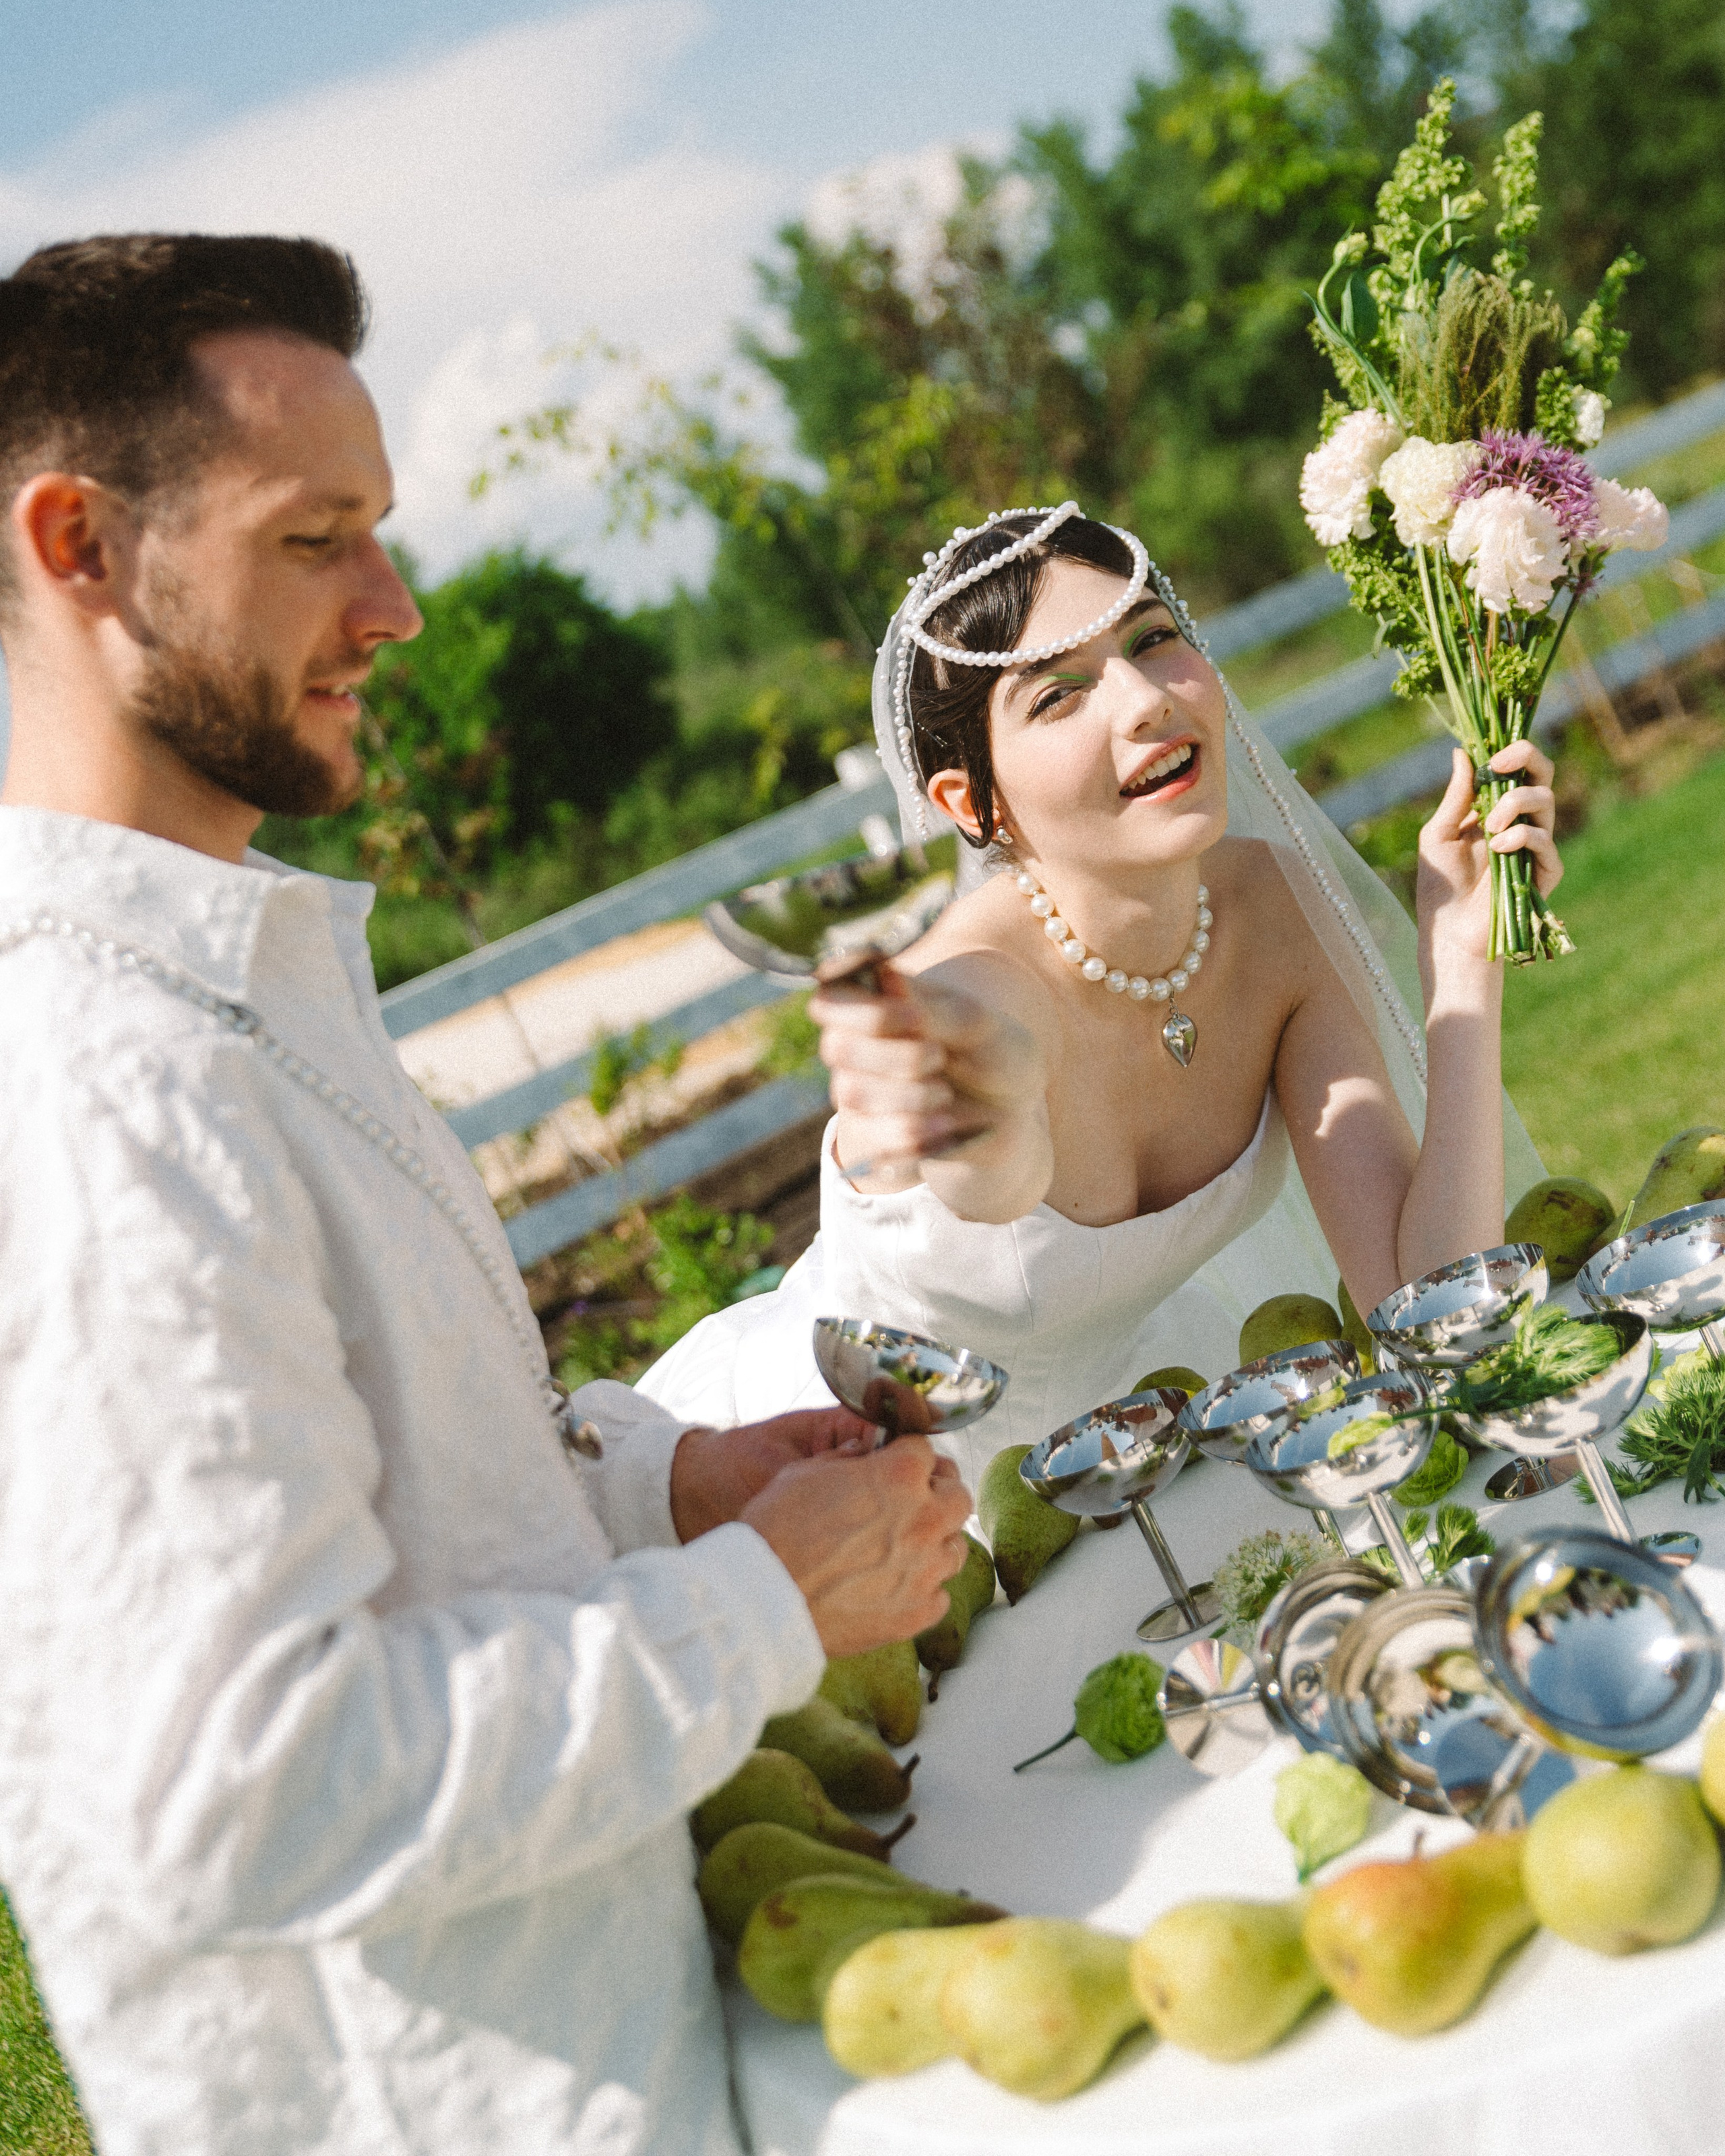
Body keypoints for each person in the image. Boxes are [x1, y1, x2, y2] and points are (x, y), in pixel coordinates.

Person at [0, 233, 971, 2156]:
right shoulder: (100, 1101)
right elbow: (247, 1793)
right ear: (80, 548)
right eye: (314, 539)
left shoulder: (241, 988)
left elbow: (394, 1496)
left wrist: (654, 1488)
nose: (399, 605)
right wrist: (768, 1598)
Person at [639, 505, 1557, 1484]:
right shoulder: (976, 981)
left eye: (1154, 640)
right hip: (828, 1479)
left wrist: (1461, 968)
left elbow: (1421, 1300)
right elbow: (986, 1125)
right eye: (1057, 696)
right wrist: (935, 1072)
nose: (1142, 699)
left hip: (1127, 1462)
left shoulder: (1273, 911)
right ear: (969, 803)